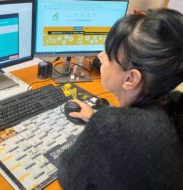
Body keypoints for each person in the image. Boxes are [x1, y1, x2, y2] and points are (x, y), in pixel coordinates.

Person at [57, 8, 183, 190]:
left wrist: (100, 129)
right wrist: (96, 119)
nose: (100, 57)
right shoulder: (173, 103)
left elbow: (67, 176)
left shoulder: (111, 125)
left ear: (131, 78)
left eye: (108, 54)